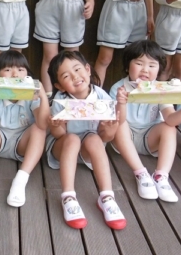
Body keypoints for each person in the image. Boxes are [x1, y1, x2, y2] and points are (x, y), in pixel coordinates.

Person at [46, 50, 127, 230]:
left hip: (88, 148)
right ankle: (68, 196)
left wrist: (111, 131)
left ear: (88, 70)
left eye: (77, 69)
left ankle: (107, 197)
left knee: (95, 139)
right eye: (66, 76)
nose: (75, 77)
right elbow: (59, 135)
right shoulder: (60, 100)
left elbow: (106, 136)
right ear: (59, 86)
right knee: (72, 139)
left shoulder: (101, 96)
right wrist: (56, 125)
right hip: (64, 147)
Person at [109, 40, 181, 202]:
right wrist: (121, 102)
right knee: (119, 123)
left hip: (150, 139)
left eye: (152, 65)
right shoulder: (119, 88)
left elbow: (171, 119)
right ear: (128, 66)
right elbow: (117, 120)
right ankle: (141, 173)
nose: (145, 69)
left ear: (159, 69)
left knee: (169, 128)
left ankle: (161, 176)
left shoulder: (161, 89)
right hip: (124, 140)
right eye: (139, 63)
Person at [0, 51, 49, 207]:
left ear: (27, 74)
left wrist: (43, 96)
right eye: (7, 69)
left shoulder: (31, 96)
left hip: (22, 144)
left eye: (20, 69)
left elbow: (43, 124)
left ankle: (20, 181)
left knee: (38, 129)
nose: (15, 74)